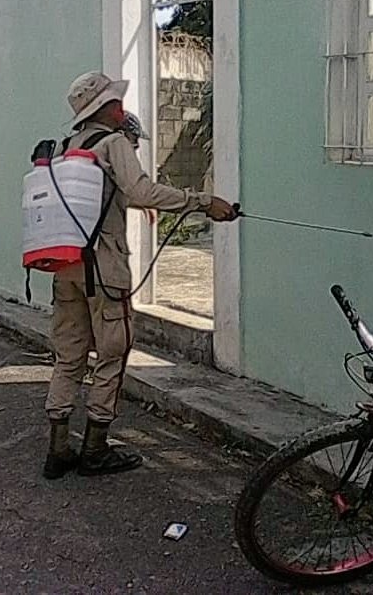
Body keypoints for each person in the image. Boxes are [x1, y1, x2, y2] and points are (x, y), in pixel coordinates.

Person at [43, 71, 238, 479]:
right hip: (106, 269)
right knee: (112, 355)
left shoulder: (66, 146)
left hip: (65, 267)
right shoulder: (113, 142)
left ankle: (58, 448)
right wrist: (202, 202)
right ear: (108, 108)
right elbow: (142, 190)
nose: (122, 108)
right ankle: (95, 451)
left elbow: (94, 200)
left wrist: (135, 204)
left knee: (70, 356)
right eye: (117, 102)